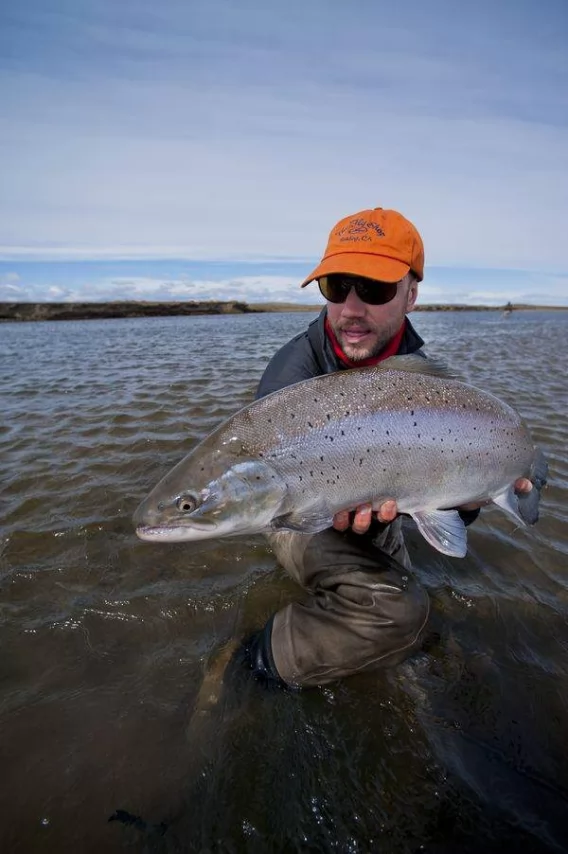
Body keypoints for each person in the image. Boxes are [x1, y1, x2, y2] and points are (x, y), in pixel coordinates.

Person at [204, 206, 533, 695]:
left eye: (374, 290)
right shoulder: (289, 376)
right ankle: (251, 662)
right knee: (402, 612)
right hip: (294, 510)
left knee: (405, 597)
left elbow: (443, 499)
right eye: (336, 287)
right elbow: (267, 491)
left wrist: (468, 503)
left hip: (381, 502)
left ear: (412, 296)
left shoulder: (418, 375)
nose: (351, 309)